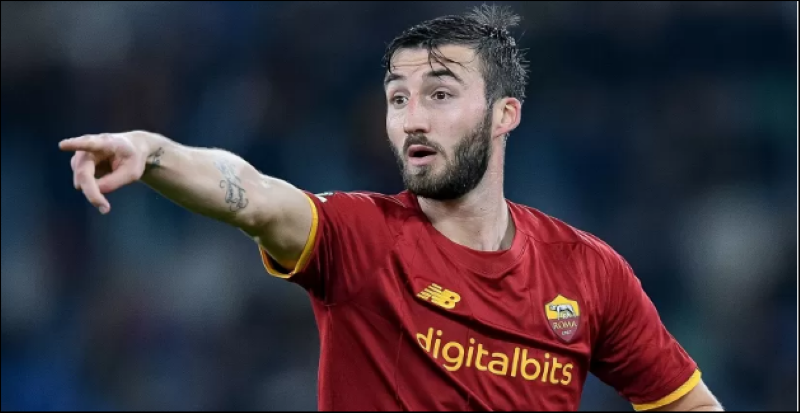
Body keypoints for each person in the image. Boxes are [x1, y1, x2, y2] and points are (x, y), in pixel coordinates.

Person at [59, 4, 724, 412]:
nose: (411, 119)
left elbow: (686, 403)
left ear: (504, 114)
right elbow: (255, 196)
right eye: (397, 98)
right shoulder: (361, 238)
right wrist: (154, 151)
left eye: (439, 94)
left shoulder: (588, 272)